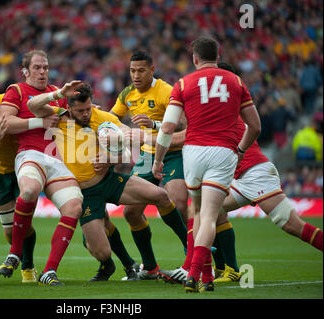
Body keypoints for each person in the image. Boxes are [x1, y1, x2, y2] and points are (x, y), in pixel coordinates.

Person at [28, 82, 181, 282]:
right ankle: (108, 259)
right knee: (102, 252)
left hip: (109, 181)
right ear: (69, 107)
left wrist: (112, 159)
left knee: (160, 195)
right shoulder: (59, 118)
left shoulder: (104, 118)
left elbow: (128, 148)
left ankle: (190, 247)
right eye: (80, 110)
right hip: (85, 194)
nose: (86, 114)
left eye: (88, 108)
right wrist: (58, 93)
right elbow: (33, 106)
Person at [152, 37, 261, 292]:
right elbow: (255, 126)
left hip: (193, 153)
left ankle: (205, 276)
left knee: (197, 213)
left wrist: (158, 160)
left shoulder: (182, 83)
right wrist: (241, 150)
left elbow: (167, 127)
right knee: (210, 216)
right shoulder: (236, 82)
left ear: (195, 58)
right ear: (217, 55)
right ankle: (195, 276)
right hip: (223, 153)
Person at [209, 62, 323, 283]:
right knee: (210, 209)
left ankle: (203, 268)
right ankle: (226, 270)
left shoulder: (226, 109)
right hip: (240, 179)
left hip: (255, 173)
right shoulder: (227, 106)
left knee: (291, 225)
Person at [0, 50, 83, 286]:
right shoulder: (16, 91)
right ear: (25, 71)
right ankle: (15, 253)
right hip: (30, 154)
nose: (42, 71)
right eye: (37, 67)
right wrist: (40, 122)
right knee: (29, 191)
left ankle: (49, 272)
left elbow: (74, 117)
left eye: (45, 67)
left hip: (56, 159)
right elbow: (5, 123)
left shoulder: (57, 93)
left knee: (74, 206)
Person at [110, 50, 188, 279]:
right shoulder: (127, 94)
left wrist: (154, 123)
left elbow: (183, 126)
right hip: (146, 156)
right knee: (131, 212)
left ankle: (195, 261)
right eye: (132, 70)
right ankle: (150, 268)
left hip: (173, 153)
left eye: (141, 70)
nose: (136, 75)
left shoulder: (166, 90)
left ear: (152, 70)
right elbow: (111, 118)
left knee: (179, 203)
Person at [0, 92, 57, 283]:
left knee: (23, 222)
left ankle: (27, 267)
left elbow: (41, 110)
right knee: (10, 230)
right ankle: (19, 255)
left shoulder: (10, 102)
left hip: (25, 165)